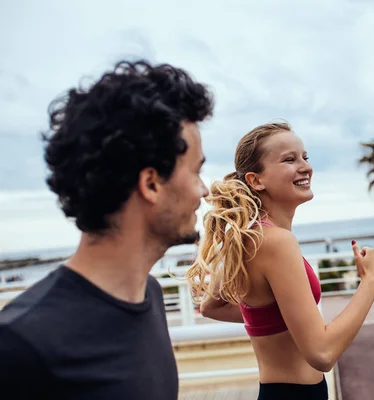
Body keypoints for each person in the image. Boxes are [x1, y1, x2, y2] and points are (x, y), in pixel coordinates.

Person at [0, 60, 214, 399]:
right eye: (196, 172)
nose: (204, 191)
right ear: (151, 184)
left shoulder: (151, 296)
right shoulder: (19, 346)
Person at [187, 122, 374, 400]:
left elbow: (212, 305)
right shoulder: (276, 242)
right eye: (289, 159)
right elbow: (322, 353)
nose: (305, 167)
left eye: (305, 157)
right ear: (256, 180)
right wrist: (371, 281)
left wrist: (288, 318)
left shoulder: (252, 236)